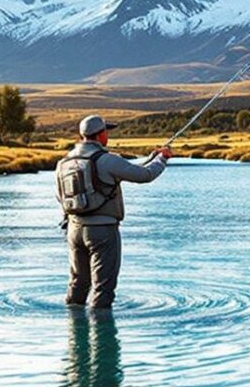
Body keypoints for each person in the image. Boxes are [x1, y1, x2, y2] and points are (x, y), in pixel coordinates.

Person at [57, 115, 170, 308]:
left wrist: (152, 157)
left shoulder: (64, 162)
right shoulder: (107, 160)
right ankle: (102, 332)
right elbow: (145, 175)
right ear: (100, 135)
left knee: (78, 283)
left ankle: (75, 330)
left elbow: (61, 197)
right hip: (103, 231)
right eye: (106, 131)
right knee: (103, 288)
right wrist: (163, 159)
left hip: (74, 230)